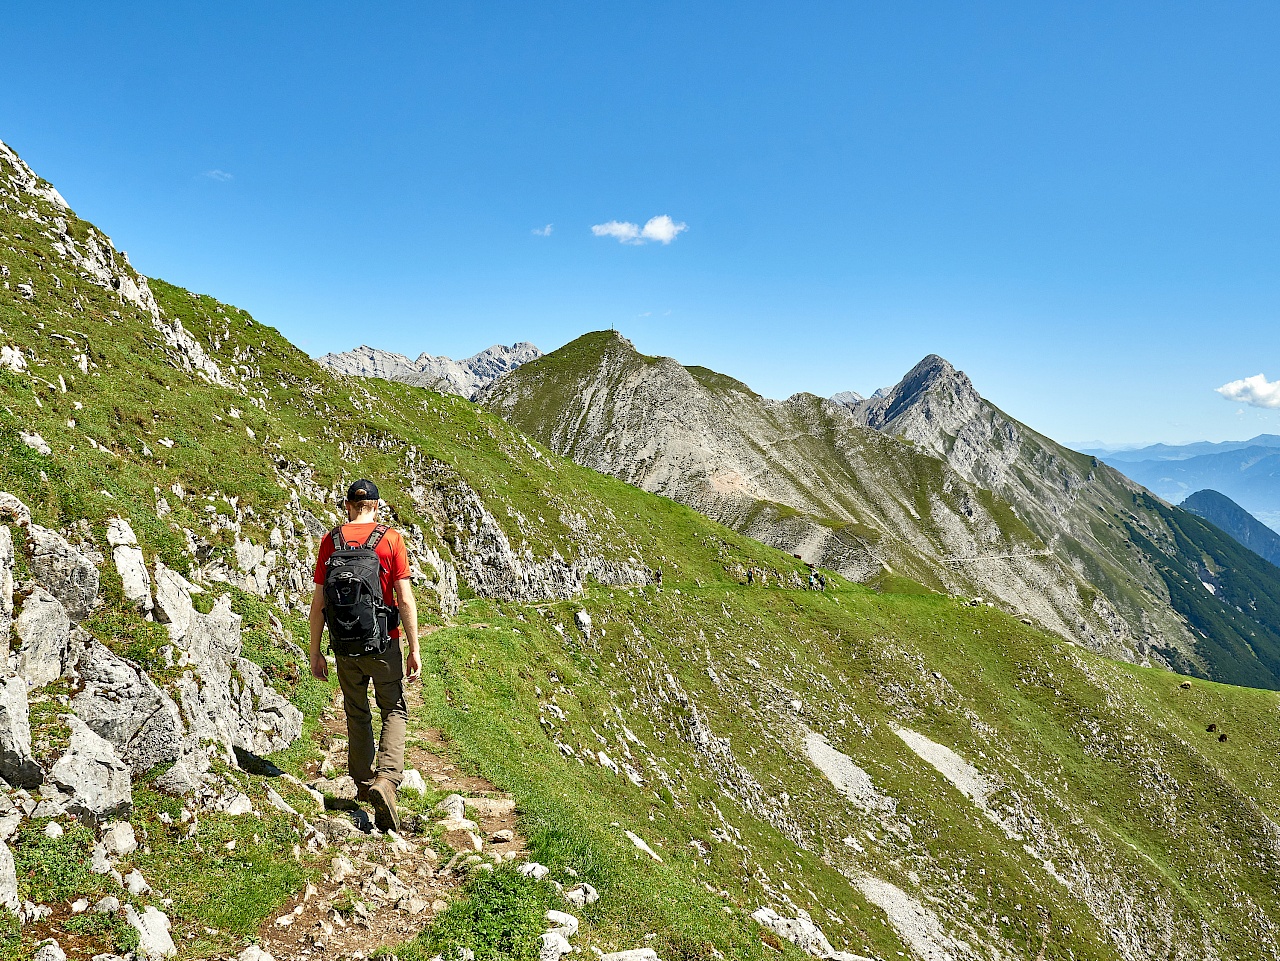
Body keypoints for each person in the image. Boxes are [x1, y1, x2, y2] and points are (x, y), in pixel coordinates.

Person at [309, 479, 420, 833]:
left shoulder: (332, 540)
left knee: (356, 711)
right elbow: (404, 598)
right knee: (394, 708)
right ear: (377, 505)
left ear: (347, 506)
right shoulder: (390, 539)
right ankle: (386, 780)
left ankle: (361, 783)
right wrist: (414, 647)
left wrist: (315, 652)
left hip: (344, 646)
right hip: (384, 642)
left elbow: (319, 603)